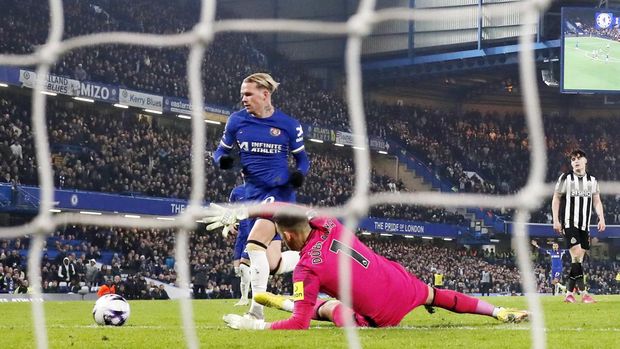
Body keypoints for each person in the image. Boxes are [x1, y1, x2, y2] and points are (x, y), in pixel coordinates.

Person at [205, 203, 529, 330]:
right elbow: (289, 209)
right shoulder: (327, 221)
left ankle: (282, 302)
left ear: (287, 236)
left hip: (380, 317)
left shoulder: (305, 269)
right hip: (402, 282)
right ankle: (497, 311)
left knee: (330, 310)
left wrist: (257, 327)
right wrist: (247, 212)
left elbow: (299, 325)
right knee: (437, 294)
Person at [212, 72, 310, 319]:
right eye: (242, 94)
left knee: (253, 244)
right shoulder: (236, 122)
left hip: (280, 193)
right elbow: (218, 153)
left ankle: (256, 312)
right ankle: (313, 256)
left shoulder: (289, 125)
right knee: (273, 263)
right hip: (252, 195)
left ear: (265, 94)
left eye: (248, 94)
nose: (243, 99)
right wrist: (223, 161)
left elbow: (303, 160)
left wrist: (299, 174)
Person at [552, 149, 606, 303]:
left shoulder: (592, 181)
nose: (575, 161)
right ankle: (584, 294)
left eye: (579, 158)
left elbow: (596, 200)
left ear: (585, 161)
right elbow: (556, 198)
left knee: (578, 261)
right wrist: (556, 220)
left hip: (585, 225)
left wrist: (601, 218)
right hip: (569, 223)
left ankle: (569, 293)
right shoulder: (565, 178)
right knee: (576, 255)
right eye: (573, 159)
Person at [229, 183, 252, 306]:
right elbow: (231, 209)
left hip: (254, 234)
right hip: (241, 234)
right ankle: (244, 298)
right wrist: (230, 223)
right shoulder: (236, 191)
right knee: (238, 270)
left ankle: (245, 298)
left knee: (244, 266)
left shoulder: (259, 189)